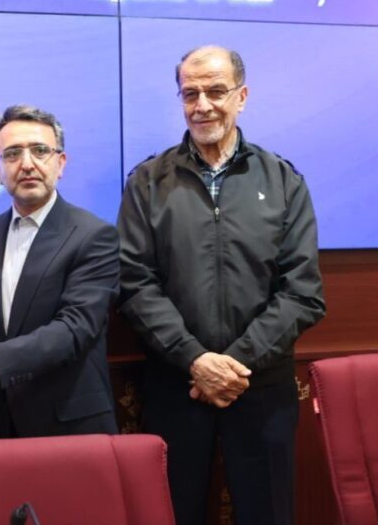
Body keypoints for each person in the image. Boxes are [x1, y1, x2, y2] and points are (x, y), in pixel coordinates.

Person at [116, 46, 326, 525]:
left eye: (215, 91)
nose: (202, 105)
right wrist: (196, 360)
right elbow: (135, 284)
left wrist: (234, 365)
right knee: (172, 514)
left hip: (260, 386)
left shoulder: (283, 180)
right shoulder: (148, 181)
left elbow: (303, 292)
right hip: (177, 386)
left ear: (242, 96)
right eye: (190, 94)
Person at [0, 104, 120, 438]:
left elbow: (75, 329)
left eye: (40, 151)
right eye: (13, 154)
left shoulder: (94, 235)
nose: (27, 164)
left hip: (70, 427)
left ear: (61, 163)